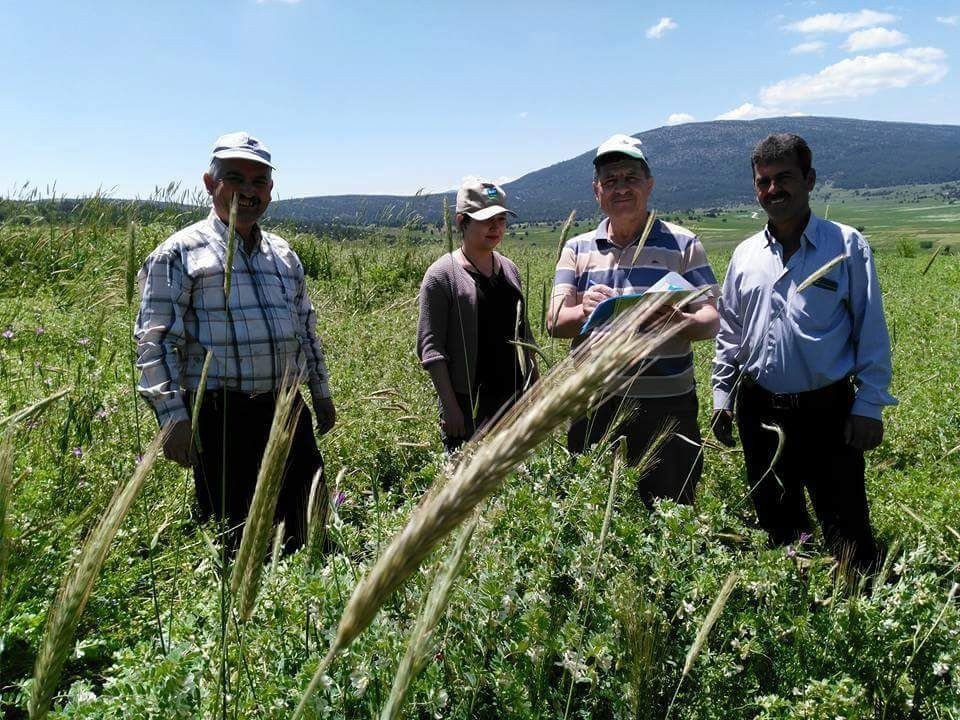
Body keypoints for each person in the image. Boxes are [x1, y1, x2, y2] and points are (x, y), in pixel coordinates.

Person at [135, 131, 336, 551]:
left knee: (310, 523)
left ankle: (310, 610)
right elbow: (154, 342)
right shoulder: (177, 254)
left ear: (270, 191)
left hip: (286, 405)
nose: (247, 191)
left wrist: (320, 392)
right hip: (220, 414)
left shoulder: (283, 255)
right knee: (238, 537)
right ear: (211, 184)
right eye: (235, 177)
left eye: (258, 181)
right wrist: (173, 418)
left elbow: (305, 328)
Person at [711, 133, 896, 571]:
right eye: (763, 181)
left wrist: (869, 405)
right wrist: (722, 396)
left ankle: (857, 608)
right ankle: (799, 608)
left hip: (827, 410)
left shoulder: (847, 246)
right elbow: (729, 334)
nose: (773, 190)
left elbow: (870, 330)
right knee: (777, 524)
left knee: (847, 525)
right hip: (758, 409)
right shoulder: (744, 256)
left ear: (810, 179)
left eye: (785, 178)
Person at [548, 134, 719, 504]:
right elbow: (556, 322)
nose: (620, 188)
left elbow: (711, 318)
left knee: (671, 514)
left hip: (668, 410)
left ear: (649, 184)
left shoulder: (683, 244)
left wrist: (677, 321)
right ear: (597, 191)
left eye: (630, 178)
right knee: (593, 514)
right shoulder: (576, 248)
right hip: (594, 405)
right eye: (610, 181)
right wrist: (585, 310)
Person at [417, 178, 536, 452]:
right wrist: (450, 407)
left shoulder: (509, 269)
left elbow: (524, 333)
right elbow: (431, 350)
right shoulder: (441, 275)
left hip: (514, 399)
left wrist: (536, 388)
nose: (496, 226)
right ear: (462, 221)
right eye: (486, 219)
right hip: (469, 405)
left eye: (501, 218)